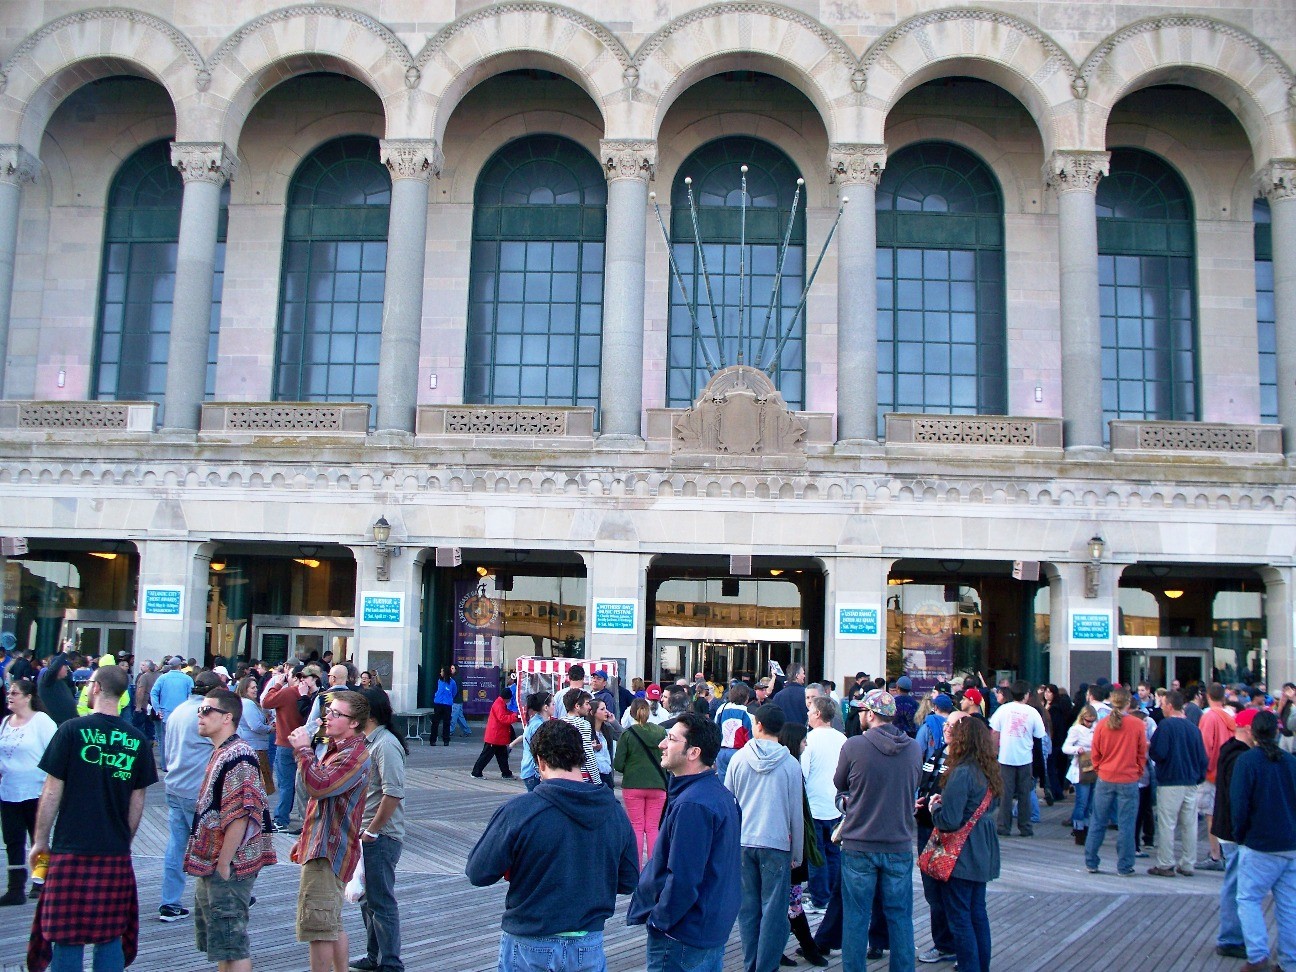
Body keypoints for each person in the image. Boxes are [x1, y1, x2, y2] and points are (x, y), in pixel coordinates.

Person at [466, 719, 638, 971]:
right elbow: (628, 881)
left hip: (530, 940)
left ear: (540, 762)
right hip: (587, 942)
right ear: (581, 758)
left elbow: (478, 872)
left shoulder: (520, 811)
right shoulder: (614, 812)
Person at [26, 664, 158, 972]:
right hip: (113, 850)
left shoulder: (71, 731)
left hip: (70, 847)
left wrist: (40, 841)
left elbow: (50, 792)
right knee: (110, 934)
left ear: (95, 688)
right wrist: (123, 839)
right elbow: (137, 801)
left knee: (66, 935)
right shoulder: (137, 740)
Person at [628, 711, 741, 972]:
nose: (662, 745)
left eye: (671, 739)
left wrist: (659, 921)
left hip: (684, 934)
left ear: (693, 752)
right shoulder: (717, 794)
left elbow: (684, 878)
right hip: (707, 926)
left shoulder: (694, 804)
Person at [183, 688, 277, 972]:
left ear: (227, 718)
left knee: (232, 942)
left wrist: (224, 863)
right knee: (223, 944)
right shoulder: (224, 752)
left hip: (230, 865)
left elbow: (243, 813)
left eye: (207, 710)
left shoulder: (239, 755)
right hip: (216, 862)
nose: (200, 715)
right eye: (200, 709)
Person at [834, 689, 922, 972]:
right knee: (900, 917)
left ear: (871, 714)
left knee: (857, 918)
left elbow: (839, 782)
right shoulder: (914, 748)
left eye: (862, 711)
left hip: (860, 843)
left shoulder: (854, 746)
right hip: (898, 843)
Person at [287, 690, 372, 972]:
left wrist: (303, 750)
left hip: (329, 850)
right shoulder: (340, 749)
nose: (328, 717)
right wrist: (305, 839)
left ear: (354, 723)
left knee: (318, 926)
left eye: (336, 714)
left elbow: (319, 787)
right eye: (329, 711)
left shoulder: (353, 754)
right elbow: (322, 803)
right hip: (324, 845)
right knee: (330, 921)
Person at [724, 702, 803, 972]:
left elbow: (728, 805)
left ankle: (750, 963)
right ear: (780, 730)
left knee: (747, 911)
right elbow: (796, 813)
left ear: (757, 725)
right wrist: (798, 853)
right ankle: (766, 966)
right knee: (774, 911)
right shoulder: (791, 764)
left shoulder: (738, 759)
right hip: (777, 842)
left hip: (744, 841)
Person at [928, 716, 1002, 972]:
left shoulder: (962, 772)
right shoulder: (989, 769)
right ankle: (981, 966)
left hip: (962, 853)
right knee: (977, 913)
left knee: (959, 916)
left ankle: (969, 967)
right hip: (983, 847)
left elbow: (949, 820)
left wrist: (935, 807)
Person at [1230, 710, 1296, 972]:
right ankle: (1290, 961)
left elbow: (1239, 804)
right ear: (1277, 732)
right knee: (1289, 905)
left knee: (1248, 898)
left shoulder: (1247, 761)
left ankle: (1257, 955)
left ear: (1253, 733)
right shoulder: (1290, 762)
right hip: (1290, 843)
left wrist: (1241, 834)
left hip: (1260, 842)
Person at [351, 688, 408, 972]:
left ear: (368, 714)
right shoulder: (370, 741)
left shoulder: (385, 744)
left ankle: (391, 963)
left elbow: (393, 793)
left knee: (381, 900)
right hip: (367, 833)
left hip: (381, 835)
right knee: (368, 899)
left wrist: (372, 830)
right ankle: (375, 957)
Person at [161, 670, 221, 922]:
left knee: (176, 846)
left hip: (174, 784)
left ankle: (170, 901)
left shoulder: (178, 711)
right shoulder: (205, 717)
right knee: (212, 845)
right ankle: (221, 893)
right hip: (198, 789)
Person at [0, 679, 57, 904]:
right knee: (13, 840)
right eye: (9, 693)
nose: (10, 696)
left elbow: (54, 753)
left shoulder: (41, 721)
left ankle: (40, 881)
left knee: (38, 838)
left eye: (15, 693)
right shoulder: (5, 723)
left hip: (36, 791)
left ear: (28, 697)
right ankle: (15, 888)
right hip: (8, 790)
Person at [778, 722, 828, 969]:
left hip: (787, 845)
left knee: (787, 901)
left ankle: (789, 947)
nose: (806, 743)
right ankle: (807, 947)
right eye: (803, 739)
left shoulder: (790, 768)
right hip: (789, 847)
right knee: (791, 901)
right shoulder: (791, 769)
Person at [913, 709, 962, 966]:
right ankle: (943, 943)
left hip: (946, 830)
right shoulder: (938, 750)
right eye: (946, 725)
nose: (947, 729)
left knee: (949, 890)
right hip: (924, 824)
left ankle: (953, 944)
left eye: (954, 726)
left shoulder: (964, 761)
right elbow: (925, 779)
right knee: (932, 891)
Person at [1084, 687, 1148, 876]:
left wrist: (1099, 769)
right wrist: (1137, 771)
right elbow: (1141, 753)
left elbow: (1095, 752)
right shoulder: (1136, 724)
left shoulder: (1103, 724)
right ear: (1128, 703)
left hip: (1106, 776)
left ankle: (1091, 861)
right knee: (1127, 824)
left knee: (1098, 821)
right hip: (1128, 778)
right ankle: (1125, 865)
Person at [1146, 689, 1208, 878]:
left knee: (1167, 823)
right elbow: (1203, 759)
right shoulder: (1193, 728)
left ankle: (1165, 863)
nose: (1162, 708)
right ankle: (1188, 863)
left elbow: (1159, 753)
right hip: (1191, 781)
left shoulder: (1165, 726)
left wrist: (1151, 748)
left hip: (1170, 781)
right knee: (1189, 824)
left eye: (1163, 704)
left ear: (1170, 706)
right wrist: (1198, 777)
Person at [1212, 707, 1257, 960]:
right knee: (1236, 883)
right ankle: (1230, 937)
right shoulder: (1240, 757)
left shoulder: (1229, 750)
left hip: (1227, 828)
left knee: (1236, 881)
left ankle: (1232, 936)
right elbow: (1237, 798)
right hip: (1234, 830)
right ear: (1249, 730)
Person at [801, 695, 846, 915]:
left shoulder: (809, 740)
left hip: (815, 805)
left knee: (816, 854)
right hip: (836, 804)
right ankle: (832, 895)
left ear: (818, 714)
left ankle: (820, 898)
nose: (807, 714)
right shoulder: (843, 739)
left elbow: (803, 773)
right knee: (833, 853)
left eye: (810, 711)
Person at [987, 679, 1045, 838]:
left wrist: (994, 752)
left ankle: (1003, 826)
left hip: (1005, 757)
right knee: (1024, 793)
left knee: (1005, 793)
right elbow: (1040, 734)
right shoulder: (1032, 712)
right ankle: (1025, 827)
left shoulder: (1003, 710)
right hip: (1025, 757)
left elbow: (994, 732)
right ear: (1026, 695)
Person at [615, 698, 668, 865]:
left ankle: (636, 867)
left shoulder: (628, 734)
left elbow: (618, 764)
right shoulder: (660, 732)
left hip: (633, 784)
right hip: (658, 783)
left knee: (636, 826)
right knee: (653, 828)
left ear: (632, 712)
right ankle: (653, 867)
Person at [260, 664, 312, 832]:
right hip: (303, 744)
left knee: (286, 783)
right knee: (302, 784)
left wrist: (277, 684)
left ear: (296, 677)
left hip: (285, 743)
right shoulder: (310, 696)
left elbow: (266, 702)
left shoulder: (288, 693)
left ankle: (281, 818)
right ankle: (299, 817)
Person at [1197, 682, 1236, 871]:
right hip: (1229, 770)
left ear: (1207, 696)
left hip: (1212, 772)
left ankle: (1215, 855)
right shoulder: (1231, 716)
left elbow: (1205, 746)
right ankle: (1227, 852)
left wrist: (1202, 770)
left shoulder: (1209, 717)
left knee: (1211, 814)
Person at [235, 676, 275, 797]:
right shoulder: (247, 704)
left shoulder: (246, 703)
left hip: (254, 746)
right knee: (257, 787)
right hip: (255, 748)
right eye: (252, 687)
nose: (256, 689)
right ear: (245, 689)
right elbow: (255, 726)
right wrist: (270, 729)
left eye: (256, 687)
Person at [1063, 705, 1098, 844]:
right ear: (1082, 718)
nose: (1089, 723)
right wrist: (1077, 749)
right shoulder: (1076, 729)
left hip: (1093, 767)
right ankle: (1079, 830)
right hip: (1080, 768)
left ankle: (1086, 828)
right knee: (1082, 802)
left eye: (1092, 721)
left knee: (1090, 803)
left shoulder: (1096, 729)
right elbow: (1065, 748)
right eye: (1087, 720)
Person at [471, 687, 519, 779]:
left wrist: (513, 714)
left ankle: (506, 773)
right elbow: (503, 718)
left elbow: (504, 714)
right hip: (495, 736)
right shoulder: (499, 704)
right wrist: (514, 716)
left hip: (497, 736)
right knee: (487, 756)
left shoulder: (499, 703)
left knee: (502, 756)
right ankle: (476, 772)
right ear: (507, 698)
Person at [560, 688, 602, 784]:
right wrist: (597, 781)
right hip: (581, 774)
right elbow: (588, 754)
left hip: (564, 774)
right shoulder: (583, 724)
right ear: (577, 706)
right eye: (587, 704)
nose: (589, 707)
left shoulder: (560, 722)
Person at [36, 653, 78, 727]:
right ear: (58, 668)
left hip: (67, 724)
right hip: (54, 725)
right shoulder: (46, 682)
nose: (67, 669)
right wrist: (64, 652)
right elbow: (52, 670)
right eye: (65, 666)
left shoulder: (62, 682)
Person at [432, 667, 456, 746]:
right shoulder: (439, 681)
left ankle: (446, 739)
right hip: (438, 703)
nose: (440, 673)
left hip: (447, 704)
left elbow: (454, 692)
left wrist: (449, 698)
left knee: (446, 722)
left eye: (442, 671)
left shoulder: (452, 682)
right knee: (435, 722)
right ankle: (433, 739)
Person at [448, 664, 472, 738]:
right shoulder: (456, 678)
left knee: (453, 717)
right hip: (458, 700)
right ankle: (467, 731)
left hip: (455, 700)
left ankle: (449, 731)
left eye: (452, 668)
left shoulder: (455, 679)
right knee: (459, 717)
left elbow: (455, 690)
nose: (451, 670)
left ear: (456, 669)